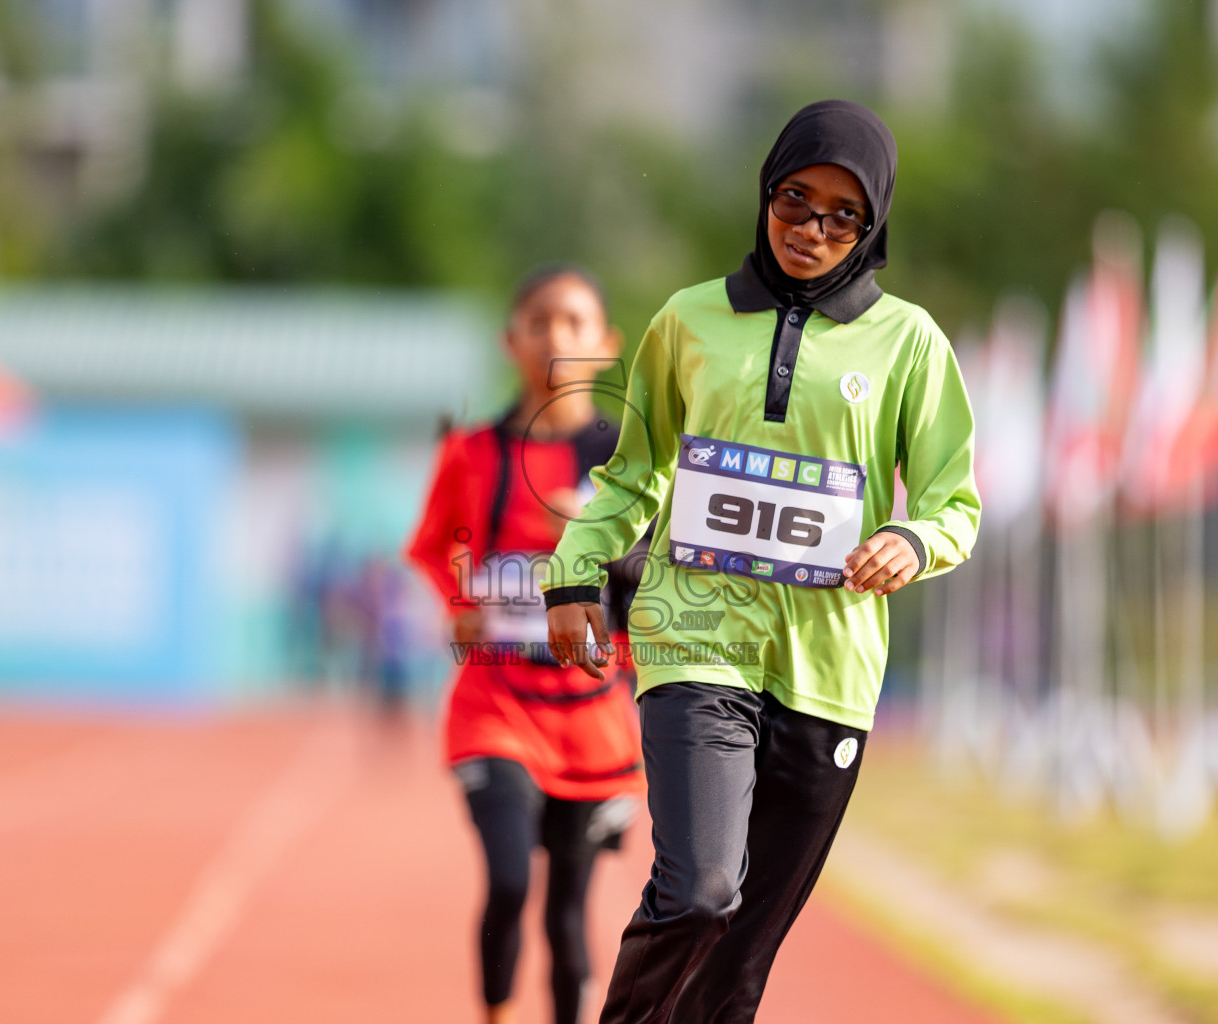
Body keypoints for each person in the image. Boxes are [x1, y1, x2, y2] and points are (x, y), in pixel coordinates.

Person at [542, 100, 981, 1023]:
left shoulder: (909, 344)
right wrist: (575, 574)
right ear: (764, 196)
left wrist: (911, 539)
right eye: (794, 200)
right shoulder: (688, 322)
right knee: (701, 890)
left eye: (841, 215)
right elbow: (629, 480)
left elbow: (954, 500)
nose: (811, 230)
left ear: (873, 227)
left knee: (739, 965)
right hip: (695, 646)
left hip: (829, 675)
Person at [405, 265, 648, 1024]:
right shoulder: (472, 453)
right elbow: (434, 546)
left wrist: (609, 550)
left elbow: (665, 574)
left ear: (606, 346)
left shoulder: (629, 464)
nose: (556, 337)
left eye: (576, 323)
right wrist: (458, 604)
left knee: (568, 916)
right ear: (511, 340)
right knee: (510, 879)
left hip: (590, 712)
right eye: (539, 321)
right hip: (495, 700)